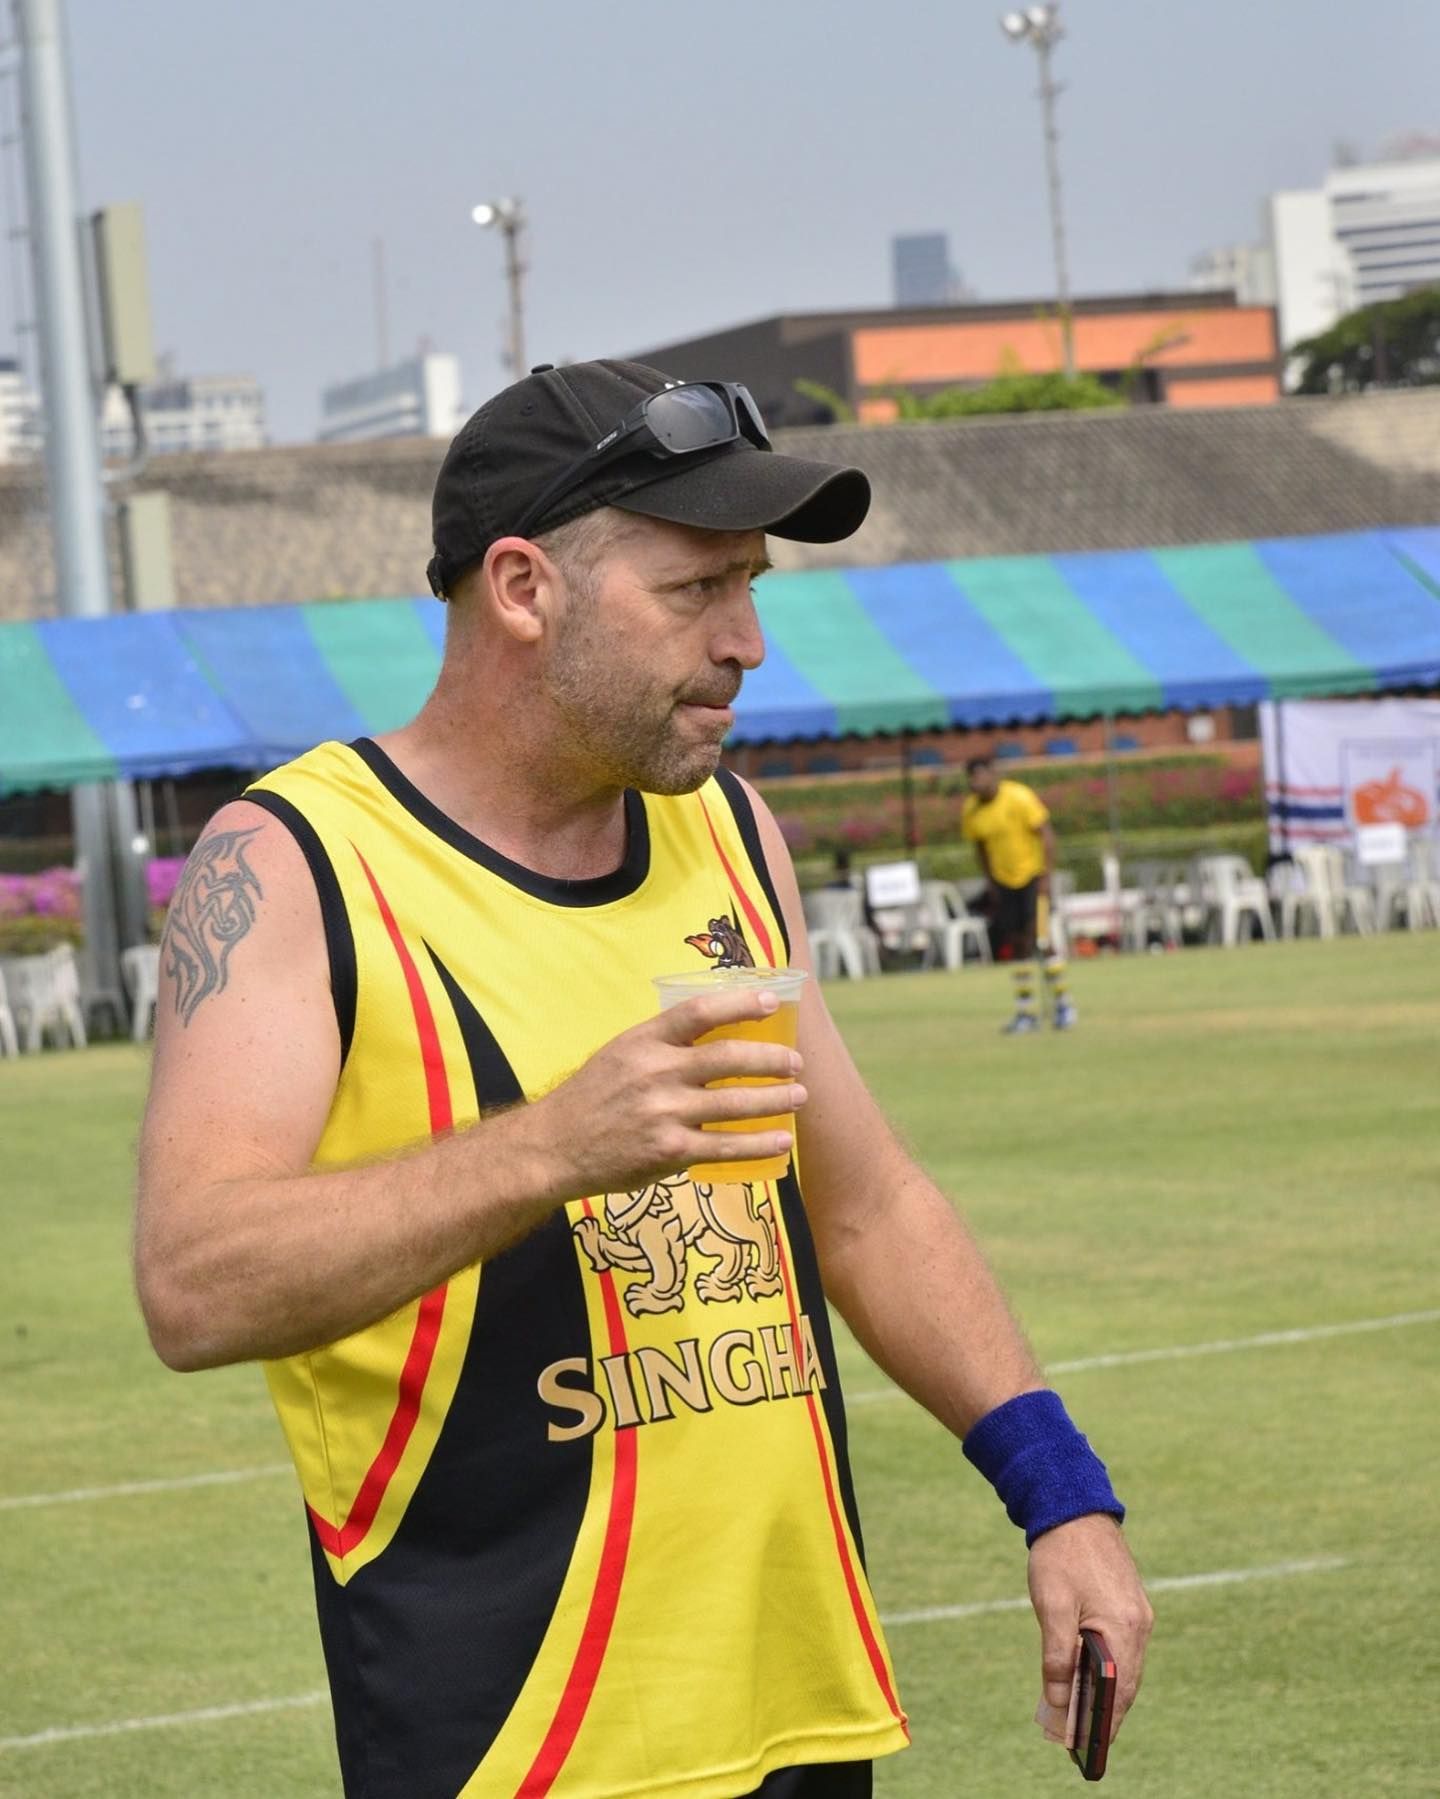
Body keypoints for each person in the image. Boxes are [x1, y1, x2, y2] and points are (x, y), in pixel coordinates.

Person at [135, 361, 1150, 1799]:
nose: (746, 642)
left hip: (798, 1712)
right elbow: (193, 1278)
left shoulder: (733, 833)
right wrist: (548, 1145)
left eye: (752, 588)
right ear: (523, 585)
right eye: (693, 591)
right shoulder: (298, 863)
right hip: (517, 1740)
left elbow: (863, 1205)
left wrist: (1062, 1495)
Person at [962, 754, 1075, 1034]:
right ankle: (1026, 1011)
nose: (976, 782)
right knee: (1017, 943)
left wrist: (1046, 876)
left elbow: (1046, 835)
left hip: (1032, 878)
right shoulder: (972, 811)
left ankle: (1063, 1004)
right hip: (1004, 882)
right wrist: (990, 882)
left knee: (1041, 937)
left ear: (992, 774)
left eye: (980, 775)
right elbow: (980, 848)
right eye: (972, 778)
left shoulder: (1019, 798)